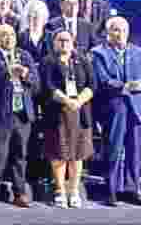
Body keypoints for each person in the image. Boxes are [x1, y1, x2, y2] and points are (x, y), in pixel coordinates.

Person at [91, 16, 141, 207]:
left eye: (123, 31)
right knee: (113, 150)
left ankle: (131, 190)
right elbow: (102, 79)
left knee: (135, 152)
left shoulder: (140, 52)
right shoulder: (98, 53)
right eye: (116, 30)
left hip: (137, 110)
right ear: (108, 33)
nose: (120, 34)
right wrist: (126, 86)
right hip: (113, 109)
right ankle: (110, 190)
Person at [0, 24, 40, 209]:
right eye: (4, 35)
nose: (9, 38)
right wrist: (6, 73)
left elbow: (37, 85)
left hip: (22, 114)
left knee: (21, 155)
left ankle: (19, 193)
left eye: (11, 34)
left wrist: (26, 75)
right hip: (0, 115)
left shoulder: (24, 56)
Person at [40, 30, 94, 209]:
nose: (63, 43)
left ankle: (74, 191)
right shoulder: (48, 61)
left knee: (77, 156)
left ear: (73, 42)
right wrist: (67, 101)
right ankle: (60, 191)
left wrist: (78, 101)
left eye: (67, 40)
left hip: (80, 112)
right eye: (60, 40)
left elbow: (92, 85)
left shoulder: (82, 60)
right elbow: (47, 86)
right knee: (59, 155)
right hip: (57, 113)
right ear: (54, 42)